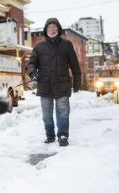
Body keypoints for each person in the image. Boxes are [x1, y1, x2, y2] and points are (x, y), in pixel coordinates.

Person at [27, 18, 81, 147]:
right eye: (49, 28)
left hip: (62, 84)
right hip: (44, 85)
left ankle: (63, 135)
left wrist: (77, 82)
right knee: (46, 114)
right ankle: (50, 135)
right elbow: (32, 63)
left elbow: (74, 65)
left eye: (54, 28)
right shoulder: (39, 46)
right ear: (46, 30)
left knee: (63, 111)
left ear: (58, 29)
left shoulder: (67, 45)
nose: (52, 30)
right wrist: (33, 73)